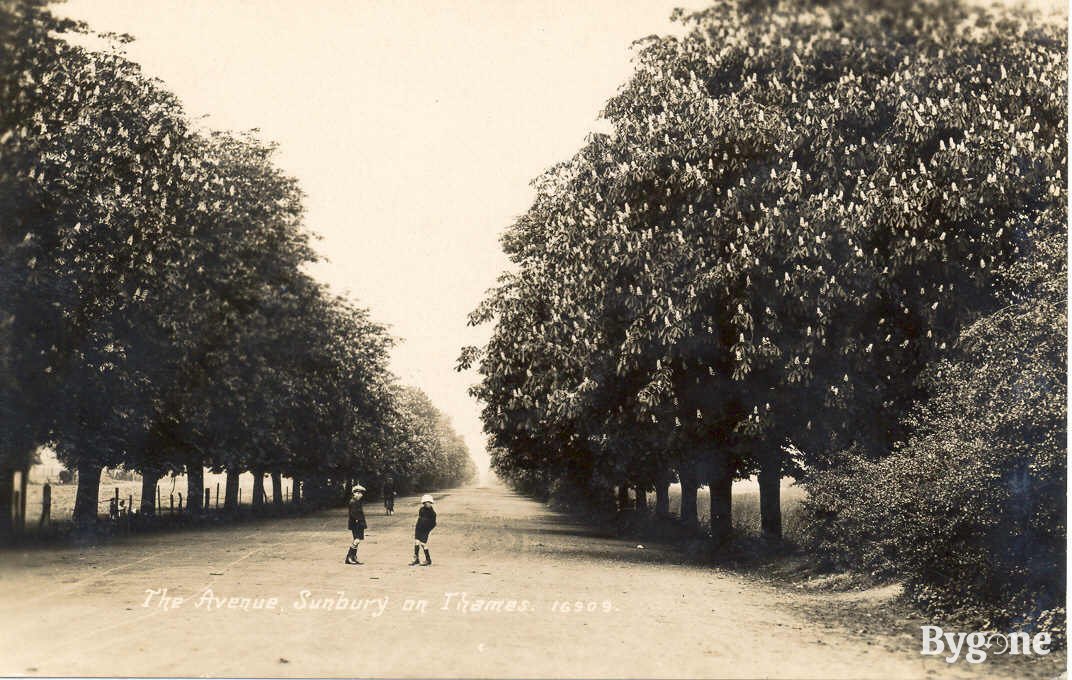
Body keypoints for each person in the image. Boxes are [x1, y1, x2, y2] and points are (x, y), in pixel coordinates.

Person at [410, 494, 437, 566]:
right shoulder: (421, 510)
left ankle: (428, 560)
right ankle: (416, 559)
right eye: (426, 503)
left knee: (423, 544)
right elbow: (419, 518)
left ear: (431, 503)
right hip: (419, 528)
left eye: (429, 502)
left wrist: (428, 529)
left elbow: (433, 523)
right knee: (416, 542)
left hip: (425, 530)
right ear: (424, 503)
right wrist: (417, 525)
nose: (427, 504)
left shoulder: (433, 513)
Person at [345, 484, 367, 565]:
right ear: (354, 493)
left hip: (358, 523)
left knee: (357, 540)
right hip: (356, 523)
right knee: (356, 540)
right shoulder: (353, 502)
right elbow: (354, 514)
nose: (360, 495)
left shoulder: (356, 501)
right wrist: (358, 520)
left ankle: (353, 556)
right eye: (357, 493)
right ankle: (349, 557)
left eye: (360, 494)